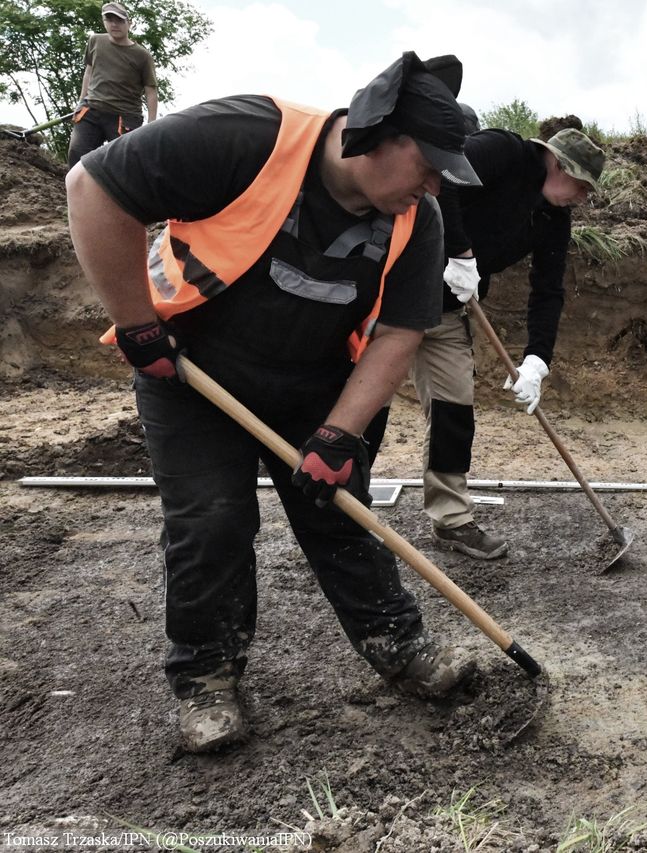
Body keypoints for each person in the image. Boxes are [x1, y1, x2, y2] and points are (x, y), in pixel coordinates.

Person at [65, 51, 483, 754]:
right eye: (429, 164)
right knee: (212, 520)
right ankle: (206, 678)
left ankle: (400, 646)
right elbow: (92, 187)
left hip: (316, 381)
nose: (434, 185)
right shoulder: (245, 135)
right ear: (376, 134)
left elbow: (401, 331)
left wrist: (340, 436)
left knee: (341, 511)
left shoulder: (421, 220)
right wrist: (139, 324)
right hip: (192, 369)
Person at [413, 122, 605, 559]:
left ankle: (452, 521)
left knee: (454, 411)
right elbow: (442, 178)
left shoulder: (554, 217)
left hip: (447, 309)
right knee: (368, 402)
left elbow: (548, 290)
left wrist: (538, 360)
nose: (583, 197)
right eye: (582, 185)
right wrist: (460, 252)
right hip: (394, 289)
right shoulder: (503, 151)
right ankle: (345, 506)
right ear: (557, 163)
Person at [67, 2, 157, 168]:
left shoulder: (142, 55)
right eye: (109, 19)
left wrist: (152, 123)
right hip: (91, 109)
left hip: (124, 116)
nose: (114, 24)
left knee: (123, 164)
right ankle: (75, 193)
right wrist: (80, 102)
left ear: (130, 23)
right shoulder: (95, 41)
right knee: (77, 153)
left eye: (119, 20)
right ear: (104, 21)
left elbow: (151, 89)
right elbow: (89, 71)